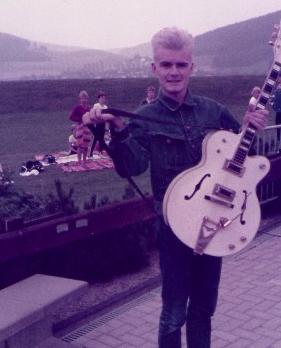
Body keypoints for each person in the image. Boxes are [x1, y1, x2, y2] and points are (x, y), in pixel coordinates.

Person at [83, 27, 268, 348]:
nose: (174, 72)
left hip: (215, 225)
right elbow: (132, 167)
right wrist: (117, 129)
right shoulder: (143, 117)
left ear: (192, 67)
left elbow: (242, 159)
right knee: (172, 314)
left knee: (203, 310)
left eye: (181, 65)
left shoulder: (213, 111)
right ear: (154, 68)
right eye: (166, 65)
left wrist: (252, 129)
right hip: (173, 231)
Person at [69, 91, 92, 165]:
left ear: (87, 99)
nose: (84, 99)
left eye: (85, 98)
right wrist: (80, 119)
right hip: (80, 127)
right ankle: (79, 161)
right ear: (80, 99)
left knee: (86, 146)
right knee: (80, 145)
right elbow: (71, 116)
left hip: (87, 128)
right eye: (82, 98)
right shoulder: (77, 107)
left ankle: (84, 161)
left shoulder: (89, 108)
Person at [89, 91, 108, 156]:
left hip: (103, 123)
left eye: (104, 98)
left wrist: (106, 126)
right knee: (95, 137)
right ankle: (90, 152)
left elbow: (106, 116)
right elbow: (94, 114)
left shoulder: (105, 107)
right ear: (99, 99)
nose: (103, 99)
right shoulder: (96, 105)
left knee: (102, 138)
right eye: (102, 98)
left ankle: (101, 151)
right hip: (97, 123)